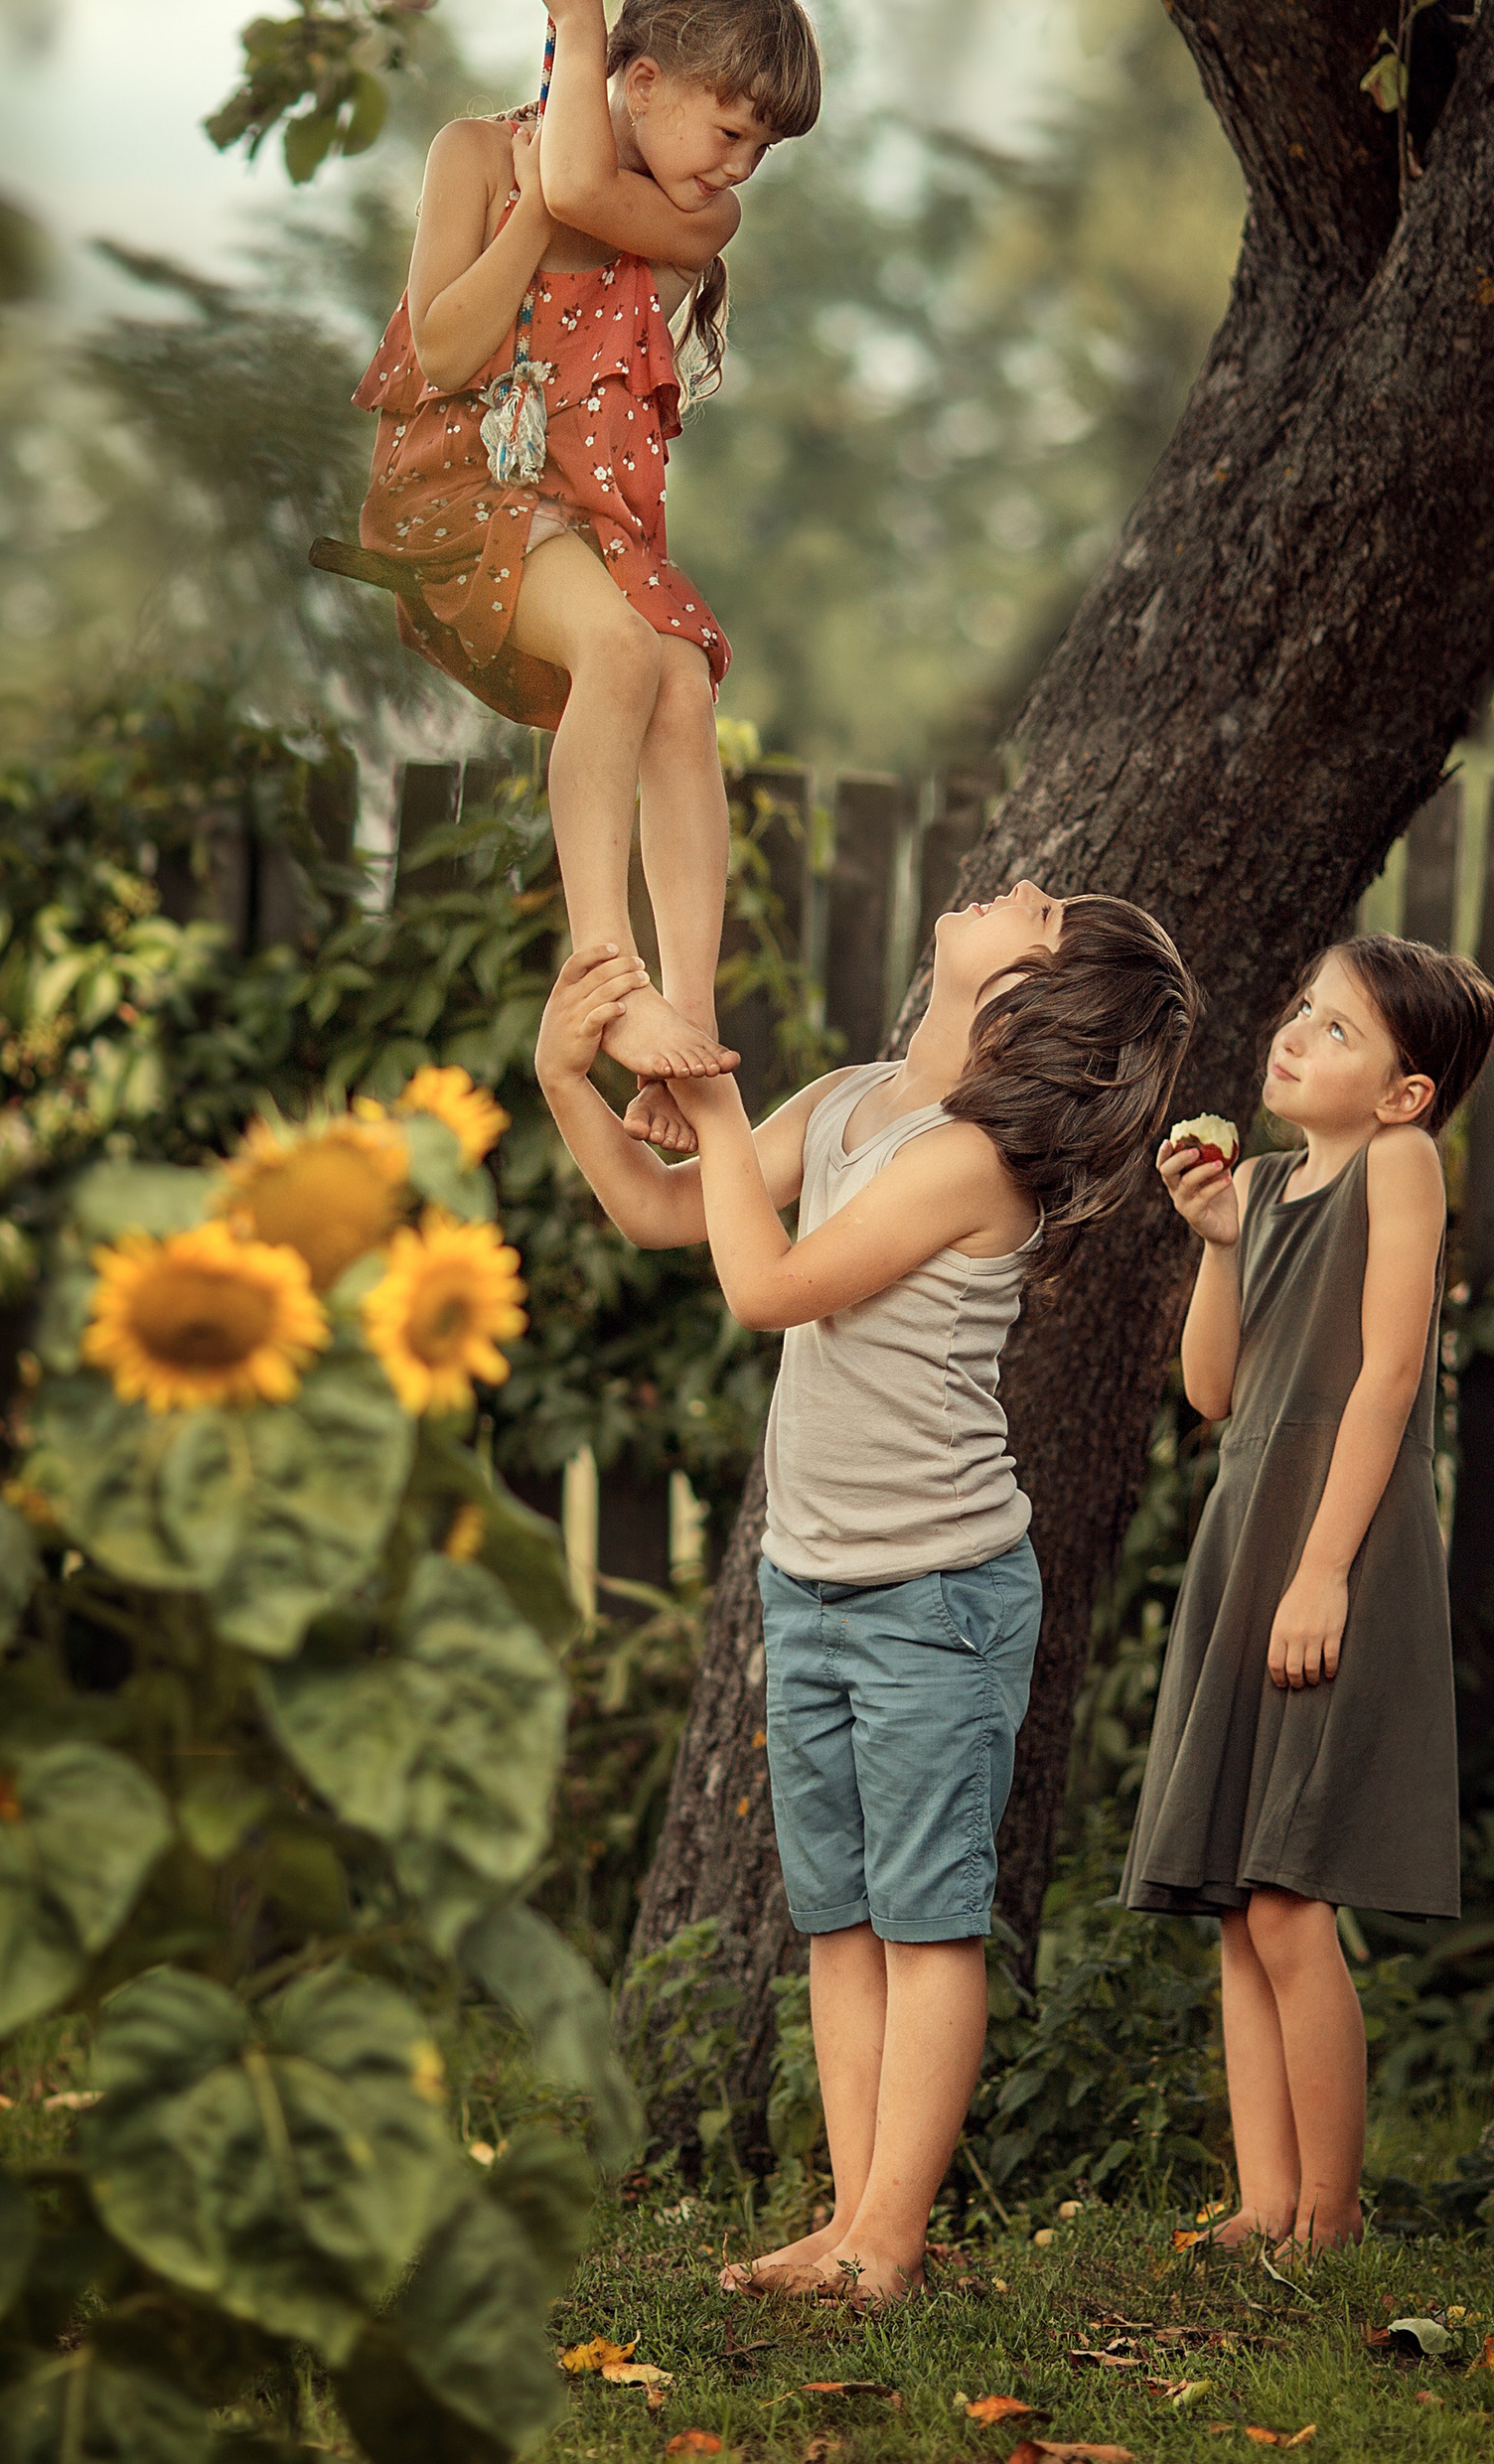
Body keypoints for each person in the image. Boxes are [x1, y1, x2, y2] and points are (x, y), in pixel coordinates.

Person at [535, 882, 1200, 2303]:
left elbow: (768, 1287)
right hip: (816, 1575)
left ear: (1028, 998)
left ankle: (890, 2243)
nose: (1021, 882)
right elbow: (665, 1215)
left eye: (1046, 905)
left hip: (935, 1593)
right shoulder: (849, 1099)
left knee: (924, 1918)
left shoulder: (971, 1160)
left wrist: (710, 1113)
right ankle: (849, 2226)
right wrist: (569, 1079)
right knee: (838, 1917)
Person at [356, 0, 820, 1147]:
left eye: (760, 151)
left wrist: (577, 26)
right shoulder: (471, 155)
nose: (737, 171)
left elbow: (574, 183)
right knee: (621, 653)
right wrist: (566, 57)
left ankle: (686, 1024)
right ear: (645, 81)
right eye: (728, 131)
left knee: (676, 679)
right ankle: (605, 970)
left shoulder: (687, 225)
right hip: (458, 501)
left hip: (582, 524)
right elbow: (446, 350)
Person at [1126, 933, 1494, 2251]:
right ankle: (1264, 2197)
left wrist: (1324, 1572)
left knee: (1290, 1889)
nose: (1296, 1033)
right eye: (1302, 1010)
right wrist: (1218, 1239)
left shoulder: (1402, 1166)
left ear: (1405, 1093)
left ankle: (1330, 2217)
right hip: (1252, 1534)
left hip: (1332, 1546)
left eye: (1338, 1030)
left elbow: (1389, 1377)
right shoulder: (1272, 1184)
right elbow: (1214, 1391)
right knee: (1240, 1892)